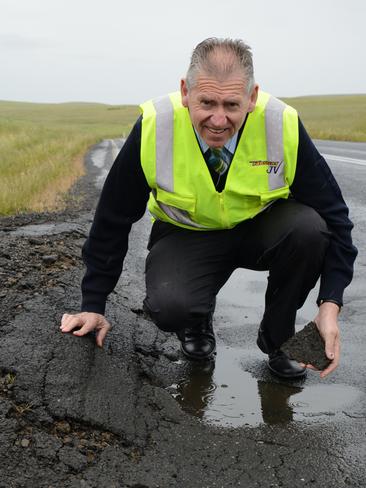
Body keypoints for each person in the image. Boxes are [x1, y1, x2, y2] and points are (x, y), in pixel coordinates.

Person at [60, 38, 357, 379]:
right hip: (187, 235)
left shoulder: (280, 123)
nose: (218, 120)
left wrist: (330, 305)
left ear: (252, 96)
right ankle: (197, 319)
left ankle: (279, 339)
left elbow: (336, 218)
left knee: (310, 229)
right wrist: (93, 305)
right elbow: (113, 218)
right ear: (185, 91)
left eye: (232, 105)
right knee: (171, 307)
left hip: (259, 230)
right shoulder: (157, 125)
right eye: (207, 103)